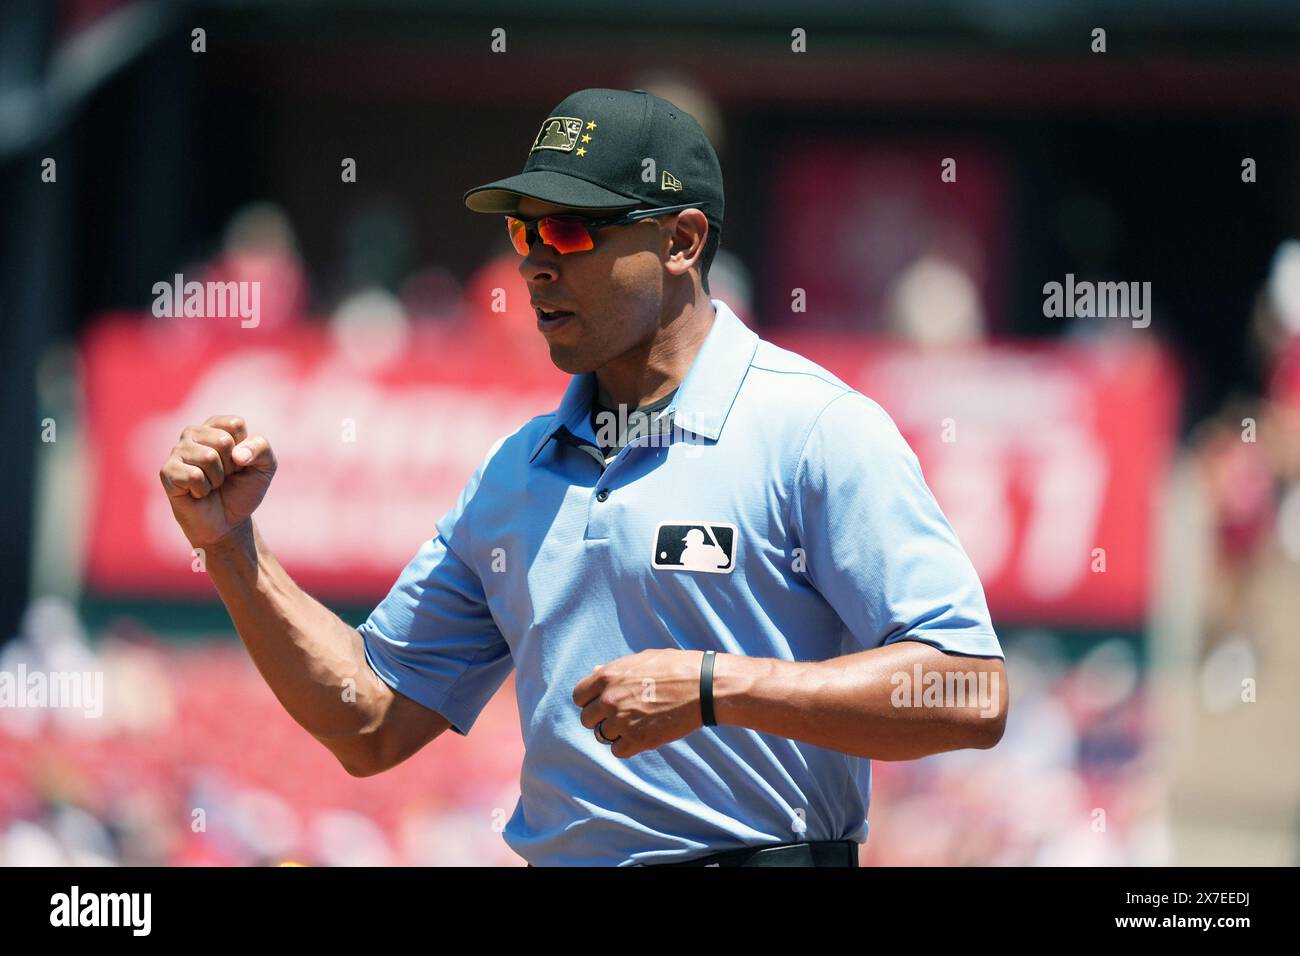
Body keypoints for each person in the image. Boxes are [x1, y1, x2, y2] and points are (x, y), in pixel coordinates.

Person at [158, 88, 1007, 867]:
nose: (533, 263)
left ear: (681, 241)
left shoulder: (816, 431)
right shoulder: (513, 472)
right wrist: (232, 547)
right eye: (524, 233)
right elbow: (371, 722)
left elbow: (971, 688)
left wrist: (718, 686)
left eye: (570, 230)